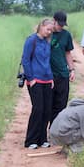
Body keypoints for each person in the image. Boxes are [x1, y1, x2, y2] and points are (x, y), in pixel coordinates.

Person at [22, 18, 54, 149]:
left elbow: (47, 61)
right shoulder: (31, 40)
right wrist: (31, 78)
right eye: (48, 29)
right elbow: (25, 60)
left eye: (51, 30)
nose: (49, 32)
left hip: (47, 79)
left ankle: (42, 139)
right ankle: (31, 140)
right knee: (38, 109)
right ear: (41, 26)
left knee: (47, 110)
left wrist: (51, 78)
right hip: (35, 80)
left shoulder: (47, 42)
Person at [50, 11, 75, 124]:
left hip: (62, 74)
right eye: (59, 24)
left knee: (61, 104)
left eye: (62, 25)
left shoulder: (66, 35)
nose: (61, 27)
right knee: (48, 104)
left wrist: (72, 69)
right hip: (48, 74)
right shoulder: (46, 33)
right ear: (53, 21)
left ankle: (55, 129)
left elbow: (68, 53)